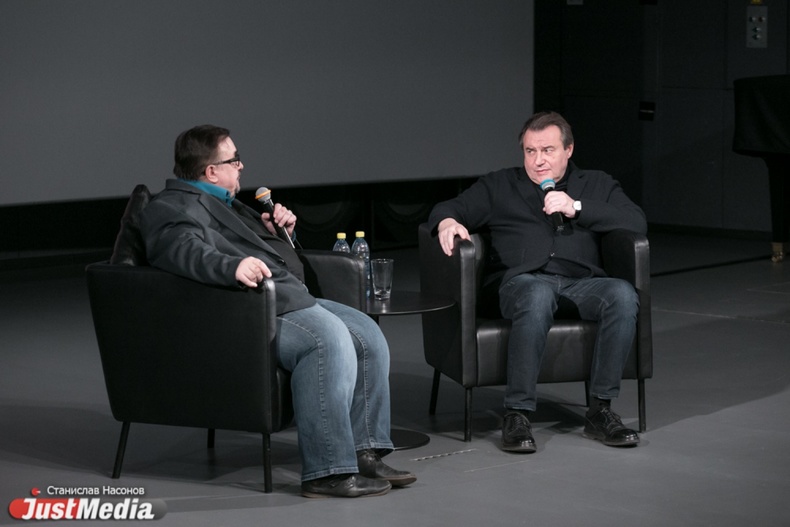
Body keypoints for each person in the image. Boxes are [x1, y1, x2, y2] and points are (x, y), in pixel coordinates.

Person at [139, 124, 416, 497]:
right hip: (244, 310)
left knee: (367, 334)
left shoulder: (229, 203)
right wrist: (231, 266)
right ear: (211, 171)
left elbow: (264, 251)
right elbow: (182, 249)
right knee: (327, 338)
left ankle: (364, 452)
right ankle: (327, 472)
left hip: (284, 297)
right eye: (234, 159)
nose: (241, 165)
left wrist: (275, 231)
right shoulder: (172, 206)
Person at [428, 111, 647, 453]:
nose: (538, 160)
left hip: (580, 283)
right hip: (521, 283)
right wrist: (447, 223)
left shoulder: (596, 184)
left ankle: (600, 411)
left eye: (548, 150)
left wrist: (577, 207)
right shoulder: (500, 185)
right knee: (536, 293)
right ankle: (517, 414)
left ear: (568, 150)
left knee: (621, 294)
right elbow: (447, 207)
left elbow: (636, 221)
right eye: (530, 151)